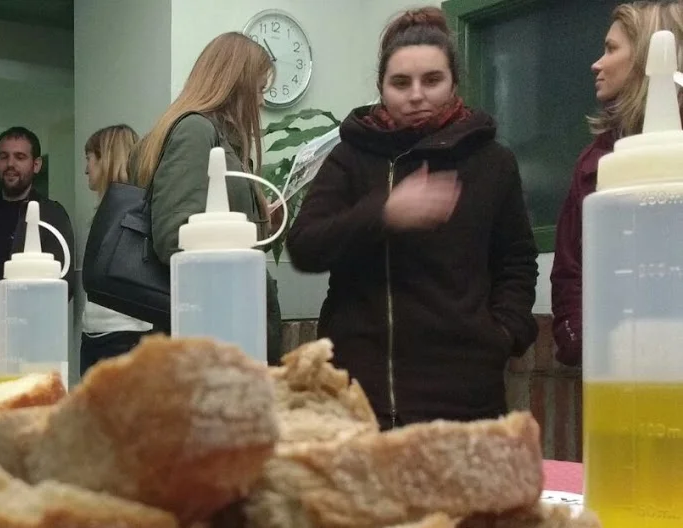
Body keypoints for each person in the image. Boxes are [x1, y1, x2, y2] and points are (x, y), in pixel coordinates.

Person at [287, 7, 538, 428]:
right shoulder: (351, 156)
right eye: (401, 83)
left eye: (432, 80)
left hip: (465, 401)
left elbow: (517, 260)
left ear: (454, 83)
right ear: (381, 88)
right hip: (360, 400)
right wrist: (384, 213)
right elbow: (305, 246)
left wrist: (504, 335)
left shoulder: (492, 161)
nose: (416, 95)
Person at [132, 31, 283, 364]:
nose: (261, 102)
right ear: (235, 85)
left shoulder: (220, 139)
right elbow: (176, 234)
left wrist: (261, 223)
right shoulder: (196, 131)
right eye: (259, 90)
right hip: (215, 329)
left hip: (223, 324)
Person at [551, 0, 683, 367]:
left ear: (646, 58)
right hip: (618, 370)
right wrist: (584, 343)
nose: (597, 64)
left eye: (611, 49)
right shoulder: (593, 163)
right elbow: (569, 270)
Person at [0, 126, 76, 396]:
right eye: (4, 156)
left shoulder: (52, 216)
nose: (10, 164)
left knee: (23, 417)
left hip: (28, 348)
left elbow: (65, 284)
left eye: (20, 157)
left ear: (36, 165)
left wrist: (25, 331)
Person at [79, 123, 151, 374]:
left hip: (124, 337)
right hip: (95, 333)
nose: (86, 169)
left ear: (105, 159)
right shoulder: (106, 213)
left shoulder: (139, 213)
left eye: (89, 158)